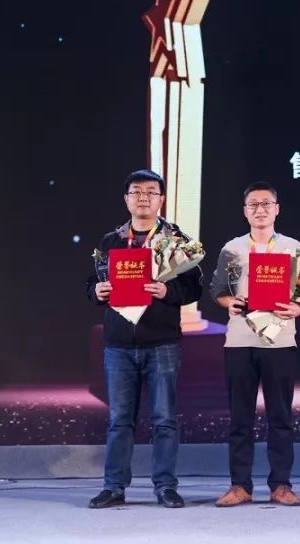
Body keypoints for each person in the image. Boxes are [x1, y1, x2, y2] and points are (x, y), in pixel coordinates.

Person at [85, 169, 203, 509]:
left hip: (161, 342)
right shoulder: (111, 241)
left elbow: (194, 287)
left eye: (151, 192)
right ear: (126, 199)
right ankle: (114, 487)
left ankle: (165, 486)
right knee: (119, 420)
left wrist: (168, 291)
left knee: (164, 419)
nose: (143, 198)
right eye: (136, 191)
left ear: (161, 199)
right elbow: (90, 282)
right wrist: (96, 291)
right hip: (119, 344)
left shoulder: (177, 241)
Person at [209, 182, 300, 507]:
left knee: (281, 418)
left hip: (280, 342)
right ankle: (240, 485)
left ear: (277, 209)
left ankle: (281, 485)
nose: (260, 209)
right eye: (253, 204)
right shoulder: (233, 248)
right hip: (240, 342)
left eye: (266, 204)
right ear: (245, 211)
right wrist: (230, 302)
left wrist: (299, 308)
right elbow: (218, 289)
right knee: (240, 419)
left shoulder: (293, 247)